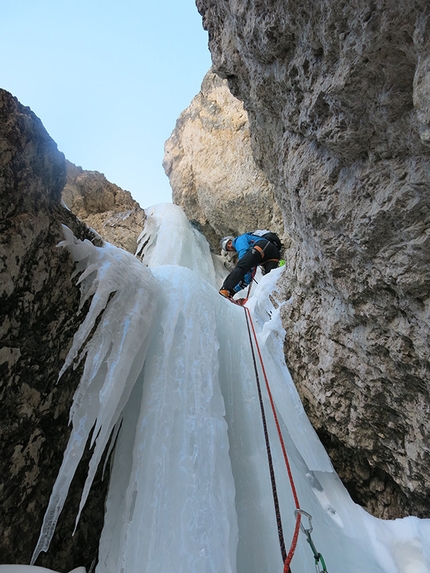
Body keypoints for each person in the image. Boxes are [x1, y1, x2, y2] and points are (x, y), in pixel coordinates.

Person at [219, 231, 281, 299]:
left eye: (229, 243)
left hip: (262, 247)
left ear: (232, 240)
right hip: (273, 254)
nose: (230, 246)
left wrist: (244, 265)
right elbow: (248, 278)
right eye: (228, 248)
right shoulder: (250, 248)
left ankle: (225, 289)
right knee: (270, 278)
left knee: (241, 266)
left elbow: (243, 254)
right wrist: (234, 291)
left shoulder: (239, 239)